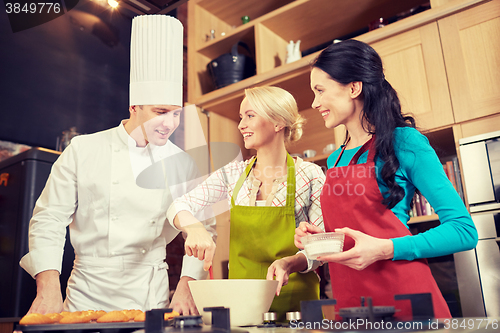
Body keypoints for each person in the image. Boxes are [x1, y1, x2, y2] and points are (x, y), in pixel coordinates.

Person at [19, 15, 215, 315]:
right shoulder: (83, 149)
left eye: (176, 114)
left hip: (149, 294)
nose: (170, 124)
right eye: (161, 112)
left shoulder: (181, 163)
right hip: (86, 292)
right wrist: (47, 288)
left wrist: (187, 285)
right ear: (133, 106)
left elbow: (204, 229)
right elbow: (49, 219)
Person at [294, 39, 478, 319]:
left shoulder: (404, 142)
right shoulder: (335, 159)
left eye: (320, 91)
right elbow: (353, 235)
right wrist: (320, 240)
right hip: (353, 307)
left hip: (406, 304)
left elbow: (464, 230)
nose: (315, 103)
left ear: (354, 88)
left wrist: (385, 249)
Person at [167, 86, 325, 321]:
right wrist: (195, 228)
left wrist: (290, 262)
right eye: (241, 118)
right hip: (244, 304)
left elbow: (321, 246)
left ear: (278, 122)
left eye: (250, 116)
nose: (241, 125)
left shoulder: (310, 175)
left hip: (297, 303)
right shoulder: (233, 174)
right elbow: (178, 206)